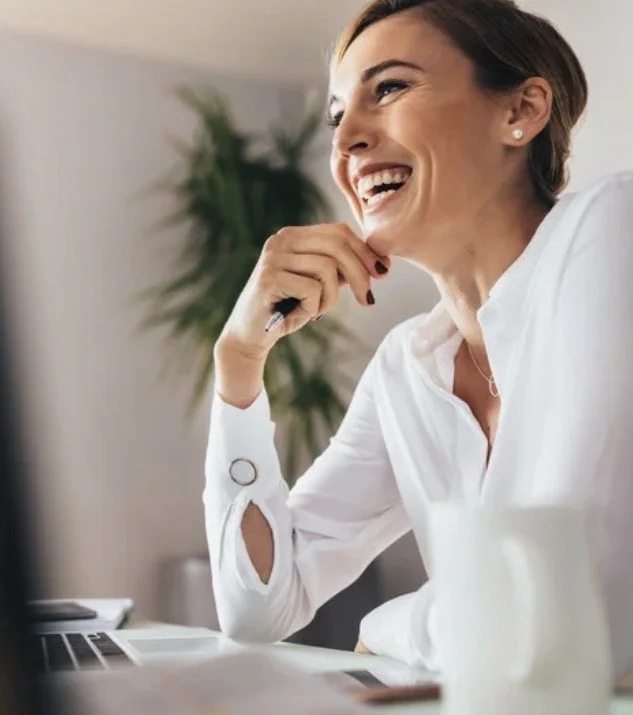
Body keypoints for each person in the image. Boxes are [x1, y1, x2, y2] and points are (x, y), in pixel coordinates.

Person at [204, 0, 633, 675]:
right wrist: (237, 362)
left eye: (391, 88)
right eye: (338, 116)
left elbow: (570, 614)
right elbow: (256, 607)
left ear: (519, 111)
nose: (346, 143)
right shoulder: (408, 367)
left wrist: (386, 623)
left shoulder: (613, 229)